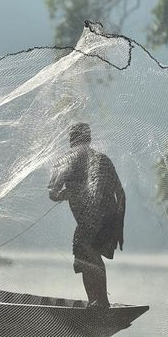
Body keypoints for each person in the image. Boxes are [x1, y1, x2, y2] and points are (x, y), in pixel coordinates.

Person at [48, 123, 125, 308]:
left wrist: (68, 192)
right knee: (86, 255)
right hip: (109, 219)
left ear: (71, 140)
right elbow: (120, 193)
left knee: (87, 253)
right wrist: (120, 225)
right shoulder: (102, 159)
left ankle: (100, 302)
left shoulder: (69, 161)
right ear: (88, 139)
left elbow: (53, 194)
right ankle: (97, 302)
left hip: (96, 222)